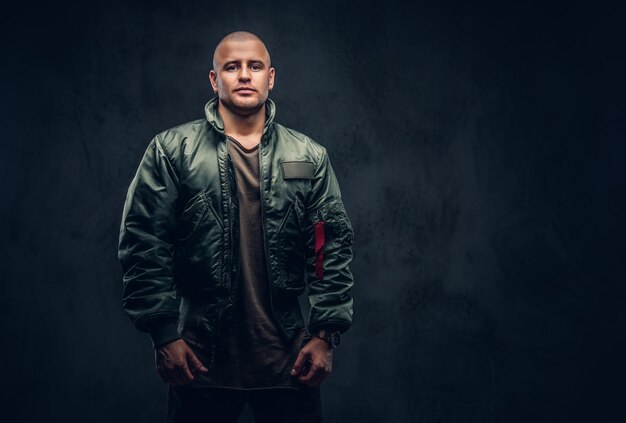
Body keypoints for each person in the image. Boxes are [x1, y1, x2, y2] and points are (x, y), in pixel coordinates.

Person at [117, 30, 354, 423]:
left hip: (290, 362)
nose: (244, 75)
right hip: (199, 359)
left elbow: (330, 248)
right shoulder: (172, 150)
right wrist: (163, 335)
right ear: (215, 80)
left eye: (254, 66)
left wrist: (325, 335)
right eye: (232, 66)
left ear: (271, 77)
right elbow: (144, 243)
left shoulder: (308, 156)